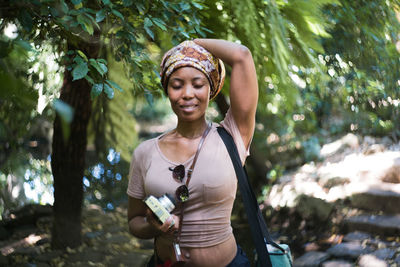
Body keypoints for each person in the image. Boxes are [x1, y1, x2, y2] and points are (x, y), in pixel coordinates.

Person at [127, 39, 258, 267]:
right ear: (167, 90)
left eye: (197, 84)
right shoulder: (144, 153)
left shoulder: (232, 136)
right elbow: (134, 221)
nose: (187, 94)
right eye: (177, 85)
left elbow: (242, 56)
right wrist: (152, 227)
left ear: (211, 89)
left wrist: (191, 42)